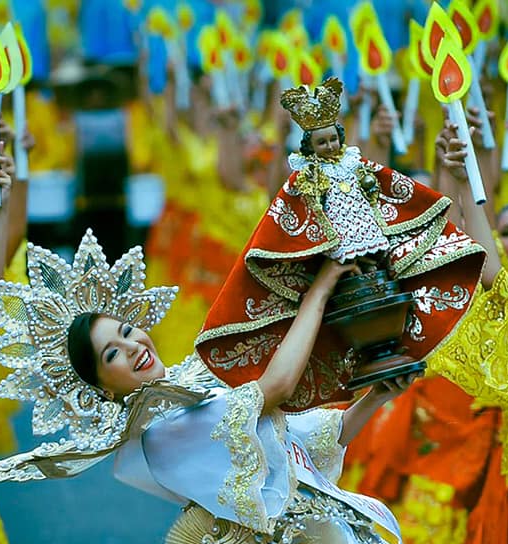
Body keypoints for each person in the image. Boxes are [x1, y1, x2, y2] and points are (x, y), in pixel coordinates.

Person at [0, 231, 508, 544]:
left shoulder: (194, 378)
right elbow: (278, 386)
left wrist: (375, 396)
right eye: (112, 353)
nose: (135, 346)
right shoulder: (157, 435)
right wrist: (320, 289)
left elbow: (306, 445)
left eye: (129, 331)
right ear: (101, 386)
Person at [194, 77, 485, 411]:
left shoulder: (354, 164)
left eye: (334, 139)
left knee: (379, 272)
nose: (330, 147)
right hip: (334, 241)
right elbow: (297, 209)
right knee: (350, 283)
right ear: (309, 147)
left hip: (366, 227)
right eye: (322, 142)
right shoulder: (306, 176)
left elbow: (380, 184)